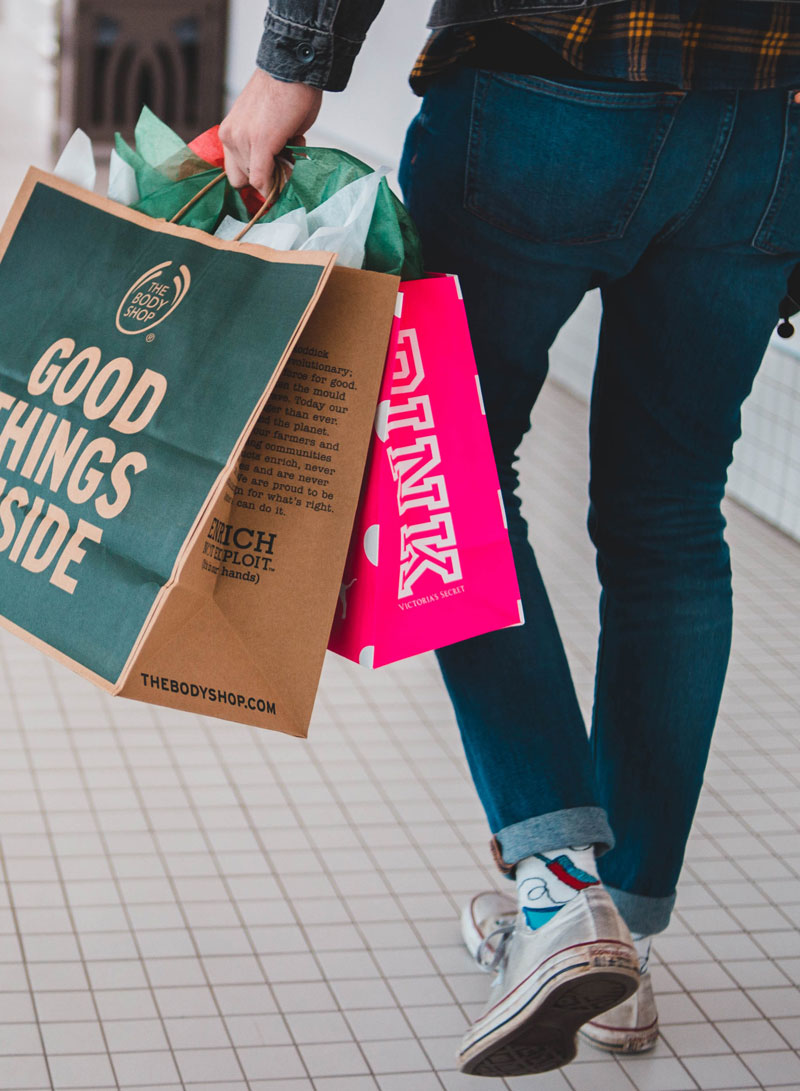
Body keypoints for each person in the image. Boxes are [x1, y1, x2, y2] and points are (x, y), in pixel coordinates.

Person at [217, 0, 800, 1078]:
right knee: (671, 513)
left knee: (449, 467)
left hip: (546, 87)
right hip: (765, 122)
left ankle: (563, 890)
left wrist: (295, 59)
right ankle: (620, 934)